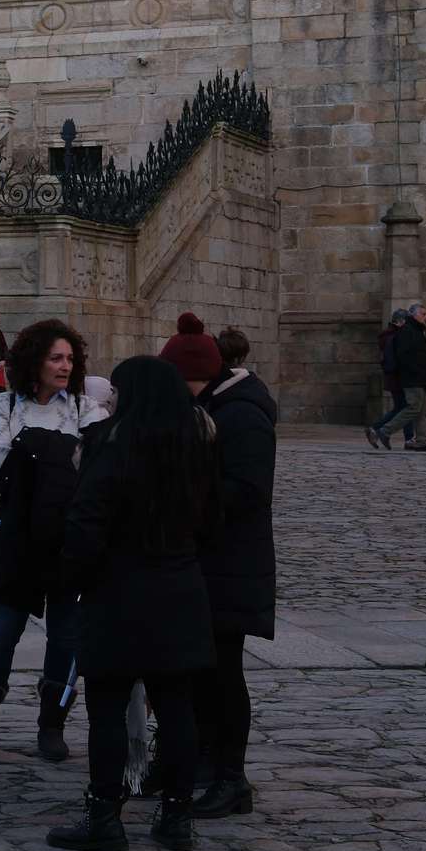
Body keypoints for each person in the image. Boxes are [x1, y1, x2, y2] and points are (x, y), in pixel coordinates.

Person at [50, 355, 221, 851]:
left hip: (119, 592)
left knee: (106, 708)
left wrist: (72, 578)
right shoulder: (197, 450)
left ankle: (104, 815)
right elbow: (215, 523)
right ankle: (176, 817)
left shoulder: (112, 446)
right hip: (180, 589)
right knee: (176, 708)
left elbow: (86, 523)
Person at [0, 318, 106, 762]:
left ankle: (52, 723)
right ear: (36, 361)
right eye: (56, 358)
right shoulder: (3, 406)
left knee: (66, 637)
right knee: (1, 632)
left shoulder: (86, 409)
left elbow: (95, 470)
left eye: (70, 358)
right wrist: (61, 457)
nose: (65, 366)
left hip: (68, 538)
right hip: (18, 534)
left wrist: (34, 453)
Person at [186, 324, 277, 820]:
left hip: (232, 564)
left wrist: (189, 499)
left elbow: (246, 490)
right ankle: (206, 760)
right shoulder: (219, 407)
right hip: (212, 562)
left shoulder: (242, 415)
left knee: (224, 673)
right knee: (205, 671)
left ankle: (231, 776)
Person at [389, 303, 426, 451]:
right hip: (413, 379)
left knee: (421, 412)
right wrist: (416, 372)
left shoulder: (416, 330)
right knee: (413, 409)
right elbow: (404, 356)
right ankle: (384, 431)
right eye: (423, 314)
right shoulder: (407, 330)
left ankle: (421, 441)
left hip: (420, 378)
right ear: (414, 315)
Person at [367, 308, 410, 449]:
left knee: (402, 408)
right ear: (399, 321)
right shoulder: (394, 336)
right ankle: (381, 430)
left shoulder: (388, 336)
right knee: (407, 409)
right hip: (398, 378)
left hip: (394, 378)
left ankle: (377, 429)